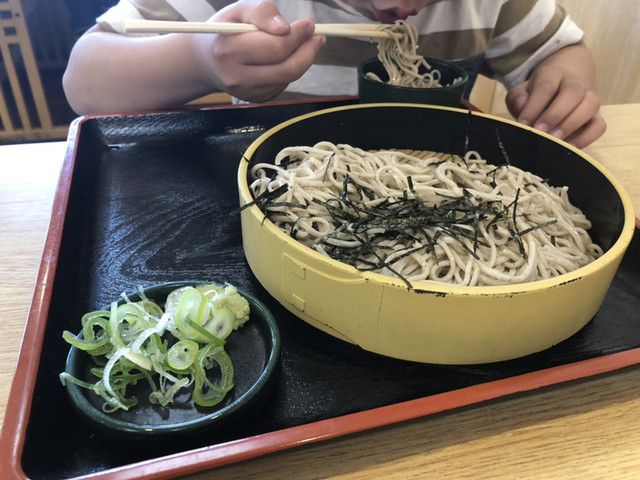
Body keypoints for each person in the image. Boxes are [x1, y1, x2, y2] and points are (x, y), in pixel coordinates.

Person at [62, 0, 605, 148]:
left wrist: (565, 85)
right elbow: (85, 81)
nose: (397, 6)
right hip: (270, 192)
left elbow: (561, 51)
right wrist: (197, 59)